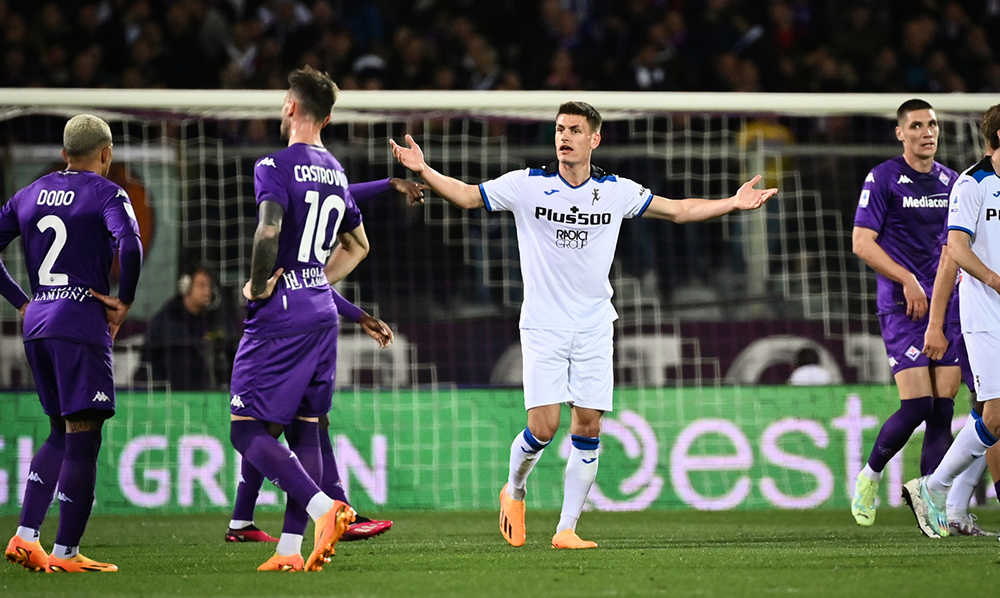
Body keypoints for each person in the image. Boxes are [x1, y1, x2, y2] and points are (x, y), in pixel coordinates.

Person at [390, 101, 776, 548]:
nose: (564, 137)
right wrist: (424, 169)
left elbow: (678, 211)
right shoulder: (527, 185)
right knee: (543, 428)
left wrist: (734, 201)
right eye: (559, 129)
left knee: (589, 425)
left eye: (574, 129)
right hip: (543, 324)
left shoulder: (615, 191)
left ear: (594, 139)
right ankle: (514, 489)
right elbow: (467, 196)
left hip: (595, 324)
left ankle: (566, 529)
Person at [229, 65, 390, 572]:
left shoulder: (273, 165)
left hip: (282, 313)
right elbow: (359, 245)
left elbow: (267, 231)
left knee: (245, 429)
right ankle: (288, 551)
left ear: (293, 107)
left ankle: (326, 509)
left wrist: (258, 287)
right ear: (329, 115)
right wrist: (316, 279)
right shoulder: (337, 173)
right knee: (307, 426)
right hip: (321, 311)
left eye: (283, 101)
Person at [224, 176, 424, 544]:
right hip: (280, 326)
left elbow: (337, 197)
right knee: (264, 427)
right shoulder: (287, 217)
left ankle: (260, 522)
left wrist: (358, 314)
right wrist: (388, 184)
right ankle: (327, 509)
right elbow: (335, 196)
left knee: (302, 421)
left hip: (297, 319)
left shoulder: (300, 211)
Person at [1, 114, 143, 572]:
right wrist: (123, 302)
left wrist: (21, 302)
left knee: (60, 429)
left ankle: (26, 536)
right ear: (106, 153)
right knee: (85, 434)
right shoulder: (107, 192)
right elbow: (131, 244)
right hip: (80, 321)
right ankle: (66, 553)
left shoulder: (28, 193)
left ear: (65, 154)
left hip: (38, 320)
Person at [850, 99, 962, 528]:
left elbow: (957, 244)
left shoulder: (952, 182)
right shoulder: (883, 178)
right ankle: (870, 474)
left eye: (932, 124)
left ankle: (929, 502)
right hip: (901, 305)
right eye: (916, 125)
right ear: (901, 133)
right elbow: (862, 242)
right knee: (917, 404)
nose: (926, 132)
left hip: (945, 305)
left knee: (943, 409)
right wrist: (907, 279)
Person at [905, 103, 1000, 538]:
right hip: (984, 316)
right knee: (994, 415)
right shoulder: (972, 184)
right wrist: (937, 321)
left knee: (992, 416)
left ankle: (953, 502)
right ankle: (935, 487)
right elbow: (955, 251)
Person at [142, 265, 227, 390]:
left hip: (205, 393)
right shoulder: (166, 321)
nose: (207, 292)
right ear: (185, 287)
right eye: (201, 285)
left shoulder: (213, 319)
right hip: (168, 394)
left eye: (209, 286)